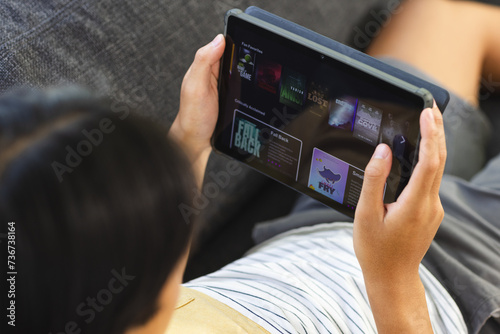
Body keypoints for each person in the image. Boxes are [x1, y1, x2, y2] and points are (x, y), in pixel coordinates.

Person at [0, 1, 498, 334]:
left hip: (330, 218)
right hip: (445, 279)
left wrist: (191, 141)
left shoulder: (65, 302)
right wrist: (393, 273)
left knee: (442, 16)